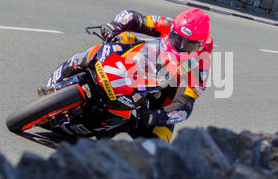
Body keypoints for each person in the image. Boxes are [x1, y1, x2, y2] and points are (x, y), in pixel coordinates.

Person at [41, 9, 213, 142]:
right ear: (174, 29)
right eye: (177, 38)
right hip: (144, 60)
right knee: (124, 38)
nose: (181, 45)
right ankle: (70, 72)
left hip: (161, 94)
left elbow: (184, 106)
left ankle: (112, 131)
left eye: (188, 44)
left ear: (199, 45)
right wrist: (115, 25)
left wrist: (158, 116)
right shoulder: (168, 24)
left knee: (156, 148)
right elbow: (133, 17)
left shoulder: (201, 64)